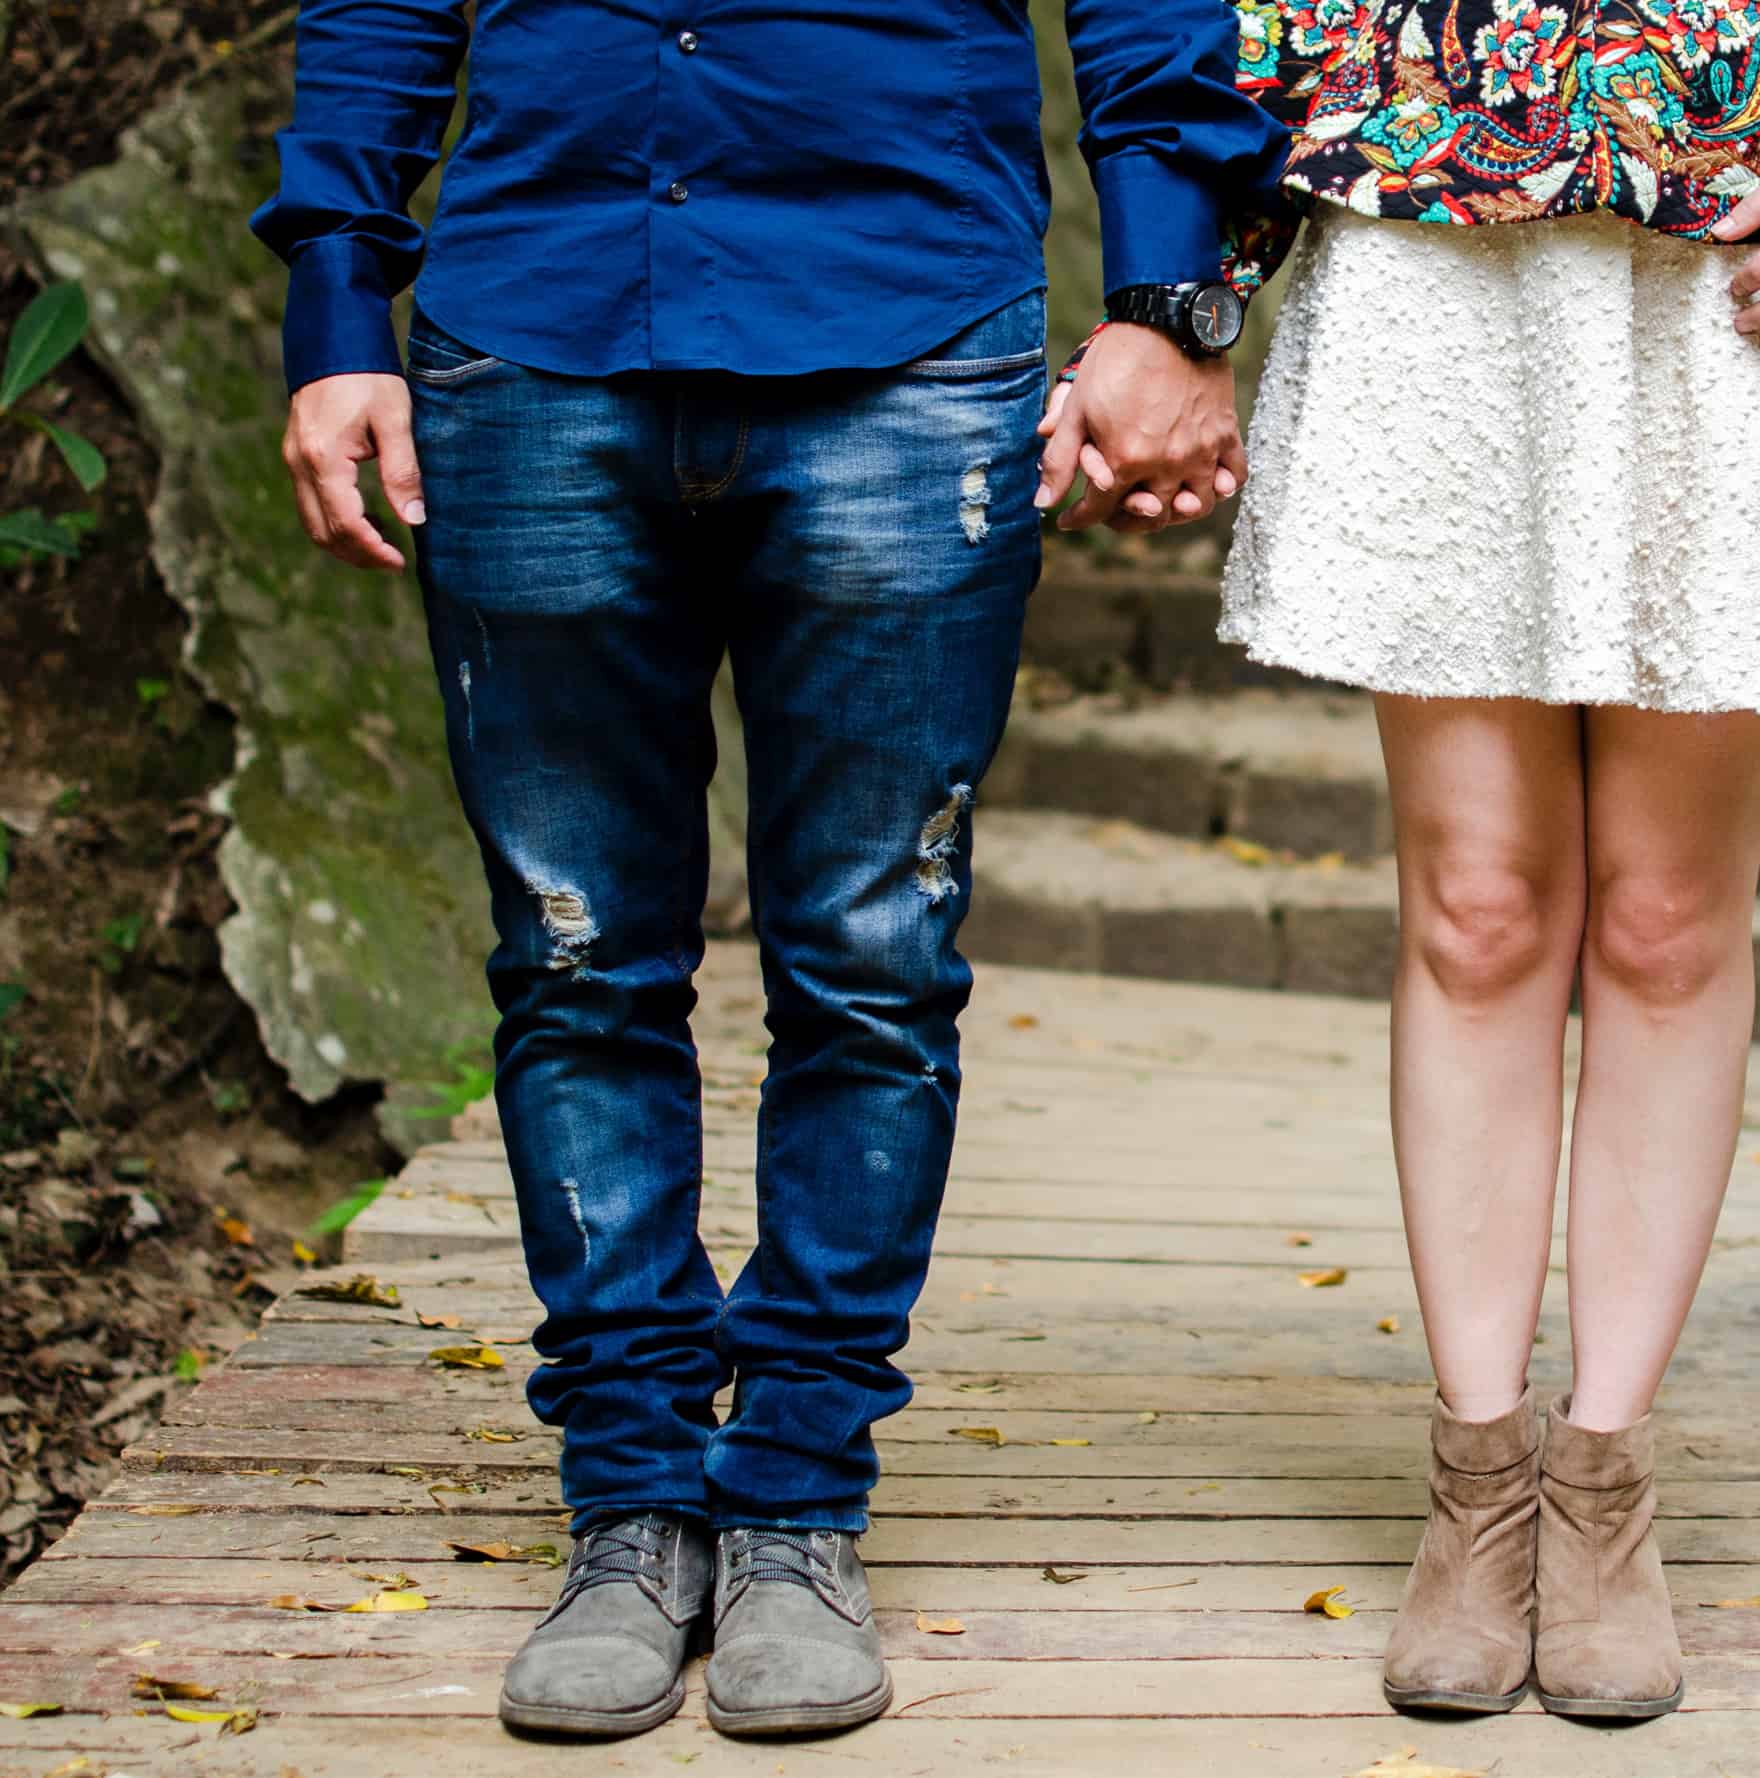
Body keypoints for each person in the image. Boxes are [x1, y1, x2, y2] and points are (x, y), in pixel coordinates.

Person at [250, 0, 1282, 1741]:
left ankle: (798, 1495)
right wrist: (339, 300)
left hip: (902, 327)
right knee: (577, 962)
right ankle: (634, 1498)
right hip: (534, 323)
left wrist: (1165, 298)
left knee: (873, 964)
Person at [1117, 0, 1760, 1723]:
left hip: (1757, 234)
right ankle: (1479, 1482)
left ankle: (1602, 1479)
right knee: (1477, 910)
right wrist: (1197, 276)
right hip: (1437, 215)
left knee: (1671, 914)